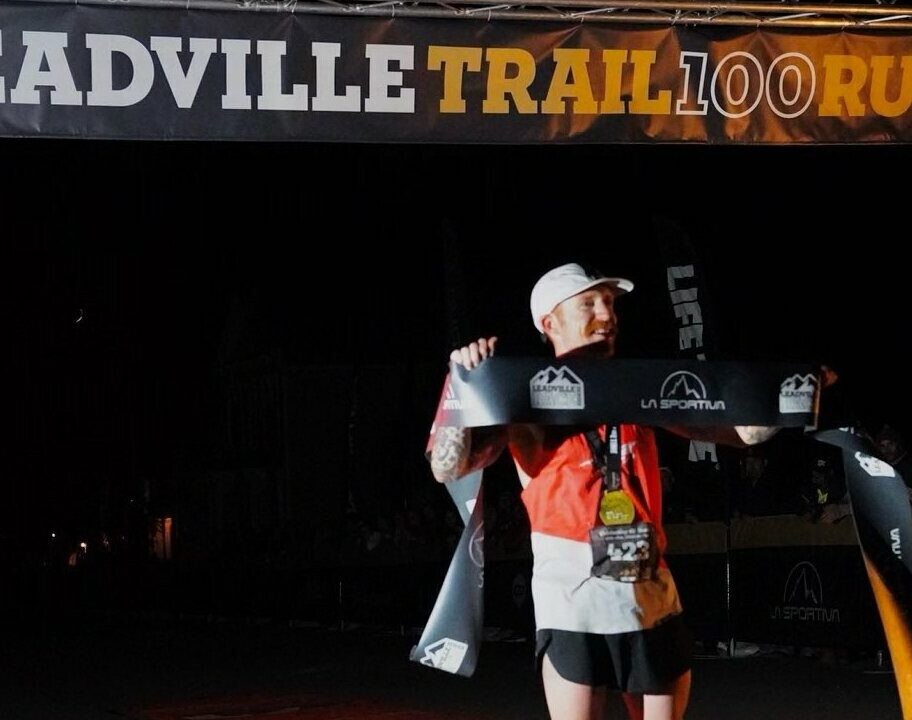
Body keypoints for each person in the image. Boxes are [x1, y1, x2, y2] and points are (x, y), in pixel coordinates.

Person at [428, 262, 777, 720]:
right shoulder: (523, 392)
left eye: (610, 302)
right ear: (550, 322)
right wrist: (461, 381)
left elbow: (745, 433)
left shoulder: (638, 387)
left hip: (649, 599)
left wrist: (795, 392)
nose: (607, 314)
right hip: (573, 603)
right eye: (589, 303)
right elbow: (448, 467)